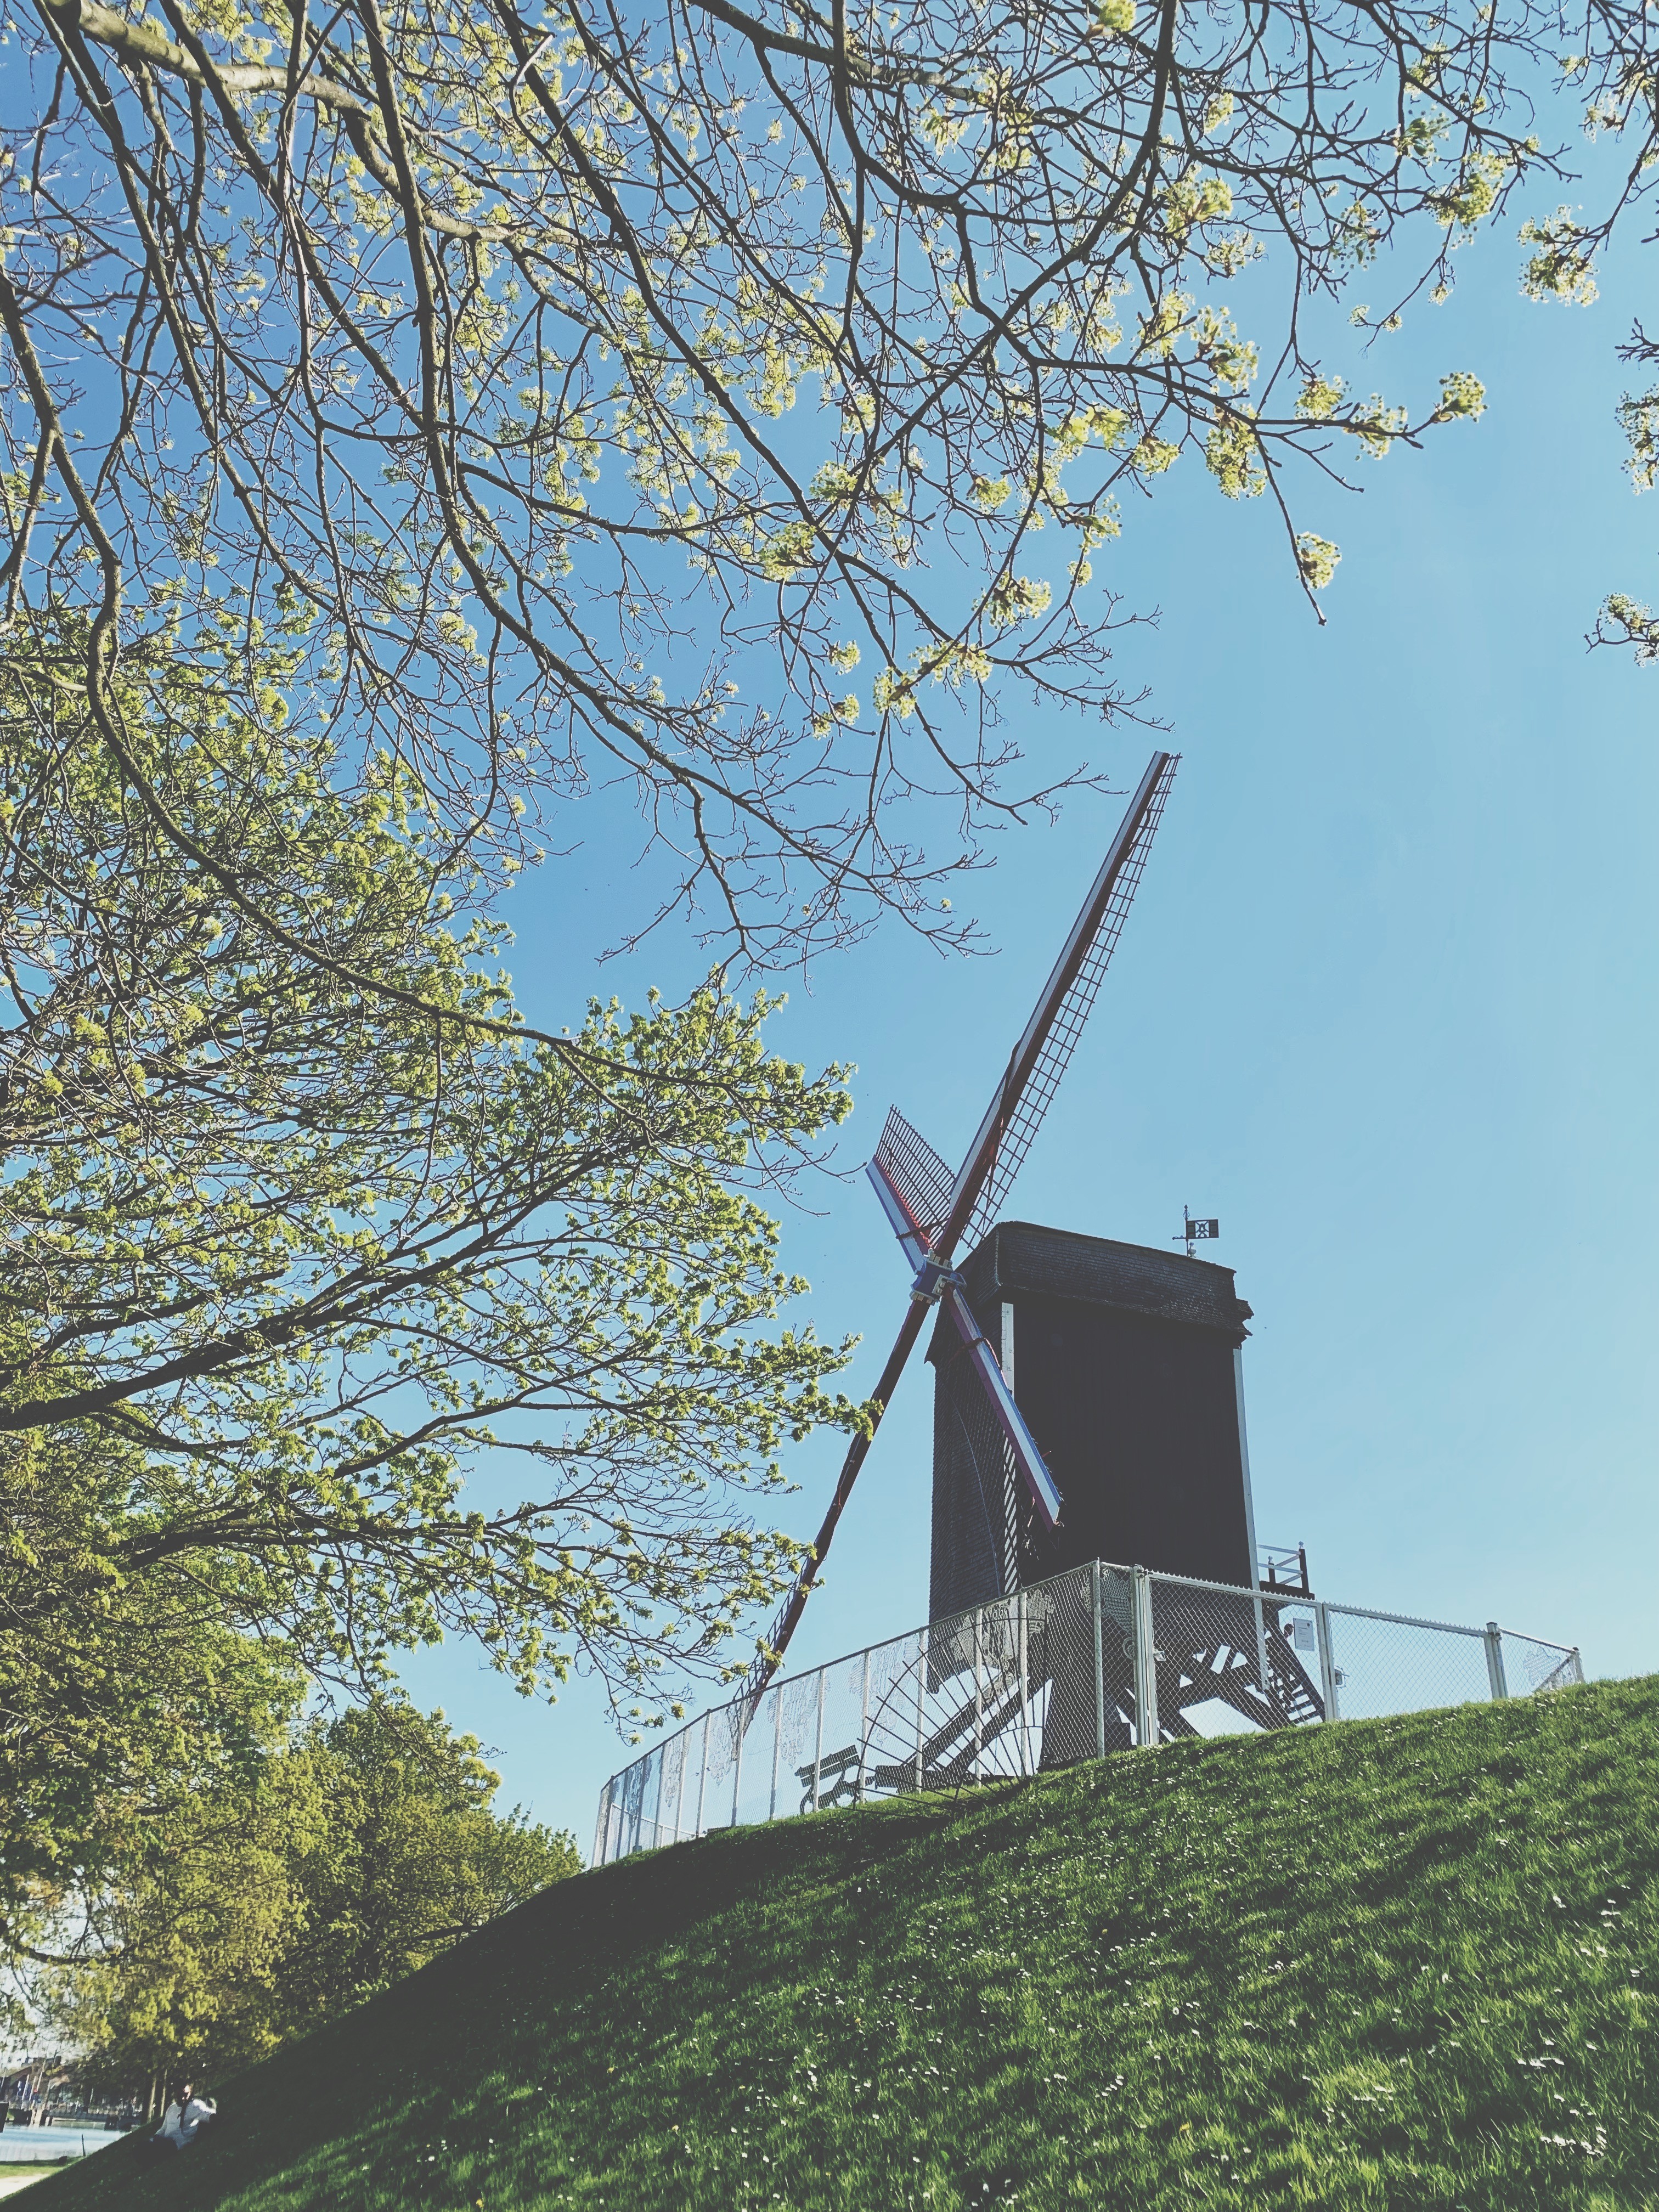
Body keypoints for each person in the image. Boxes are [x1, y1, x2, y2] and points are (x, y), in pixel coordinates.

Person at [149, 2082, 217, 2154]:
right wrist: (157, 2136)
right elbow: (164, 2128)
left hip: (177, 2144)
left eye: (186, 2095)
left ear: (190, 2093)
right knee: (140, 2147)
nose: (182, 2098)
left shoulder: (195, 2106)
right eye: (179, 2096)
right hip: (164, 2141)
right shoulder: (172, 2108)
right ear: (174, 2095)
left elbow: (209, 2115)